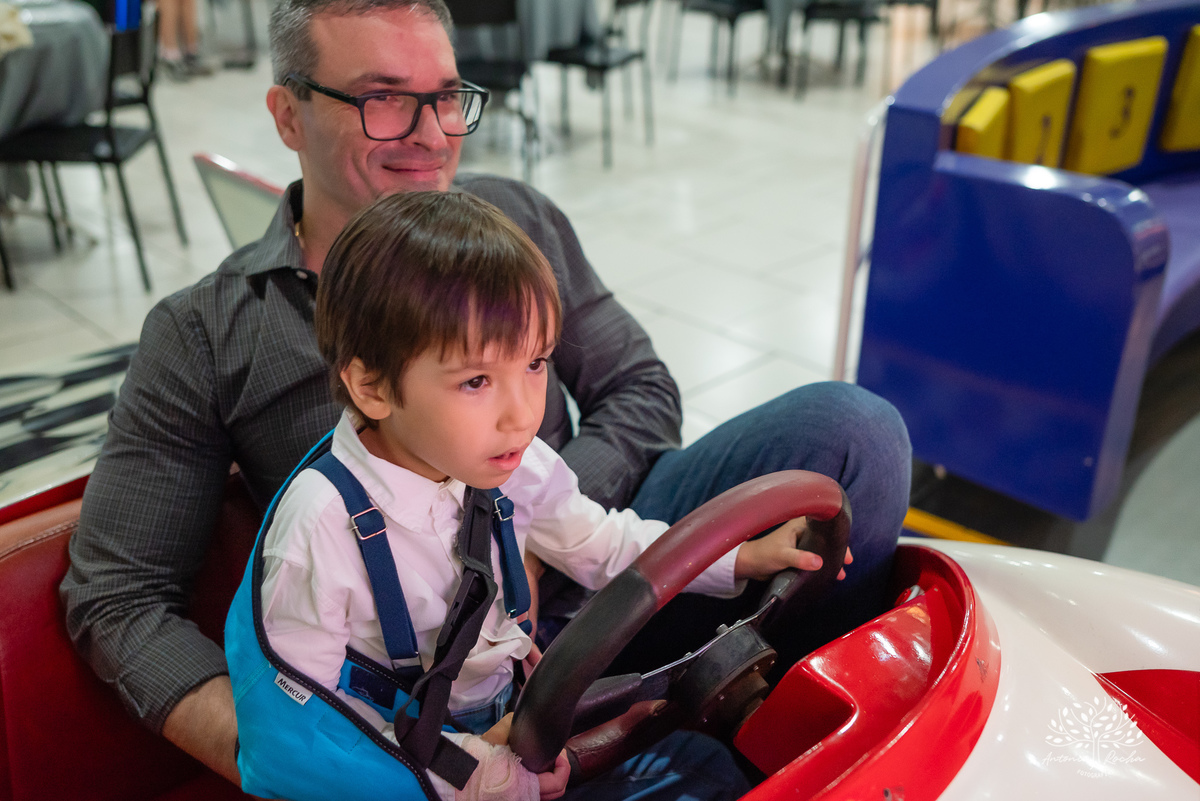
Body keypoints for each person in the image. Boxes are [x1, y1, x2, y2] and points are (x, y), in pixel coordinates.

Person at [61, 0, 911, 789]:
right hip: (419, 682)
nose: (432, 135)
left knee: (855, 434)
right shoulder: (209, 331)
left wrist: (531, 527)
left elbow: (640, 387)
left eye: (446, 98)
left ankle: (790, 722)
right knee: (695, 773)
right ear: (287, 114)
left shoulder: (509, 225)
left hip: (589, 571)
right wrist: (309, 759)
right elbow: (117, 597)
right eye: (384, 100)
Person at [240, 188, 826, 800]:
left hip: (522, 717)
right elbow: (309, 731)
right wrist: (475, 771)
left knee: (717, 766)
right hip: (415, 772)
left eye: (536, 363)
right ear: (371, 387)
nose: (522, 414)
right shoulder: (319, 528)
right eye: (475, 380)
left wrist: (739, 557)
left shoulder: (506, 461)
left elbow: (600, 542)